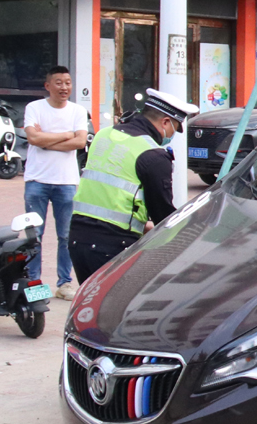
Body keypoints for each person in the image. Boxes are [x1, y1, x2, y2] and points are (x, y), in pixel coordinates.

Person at [69, 88, 198, 283]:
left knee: (89, 307)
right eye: (175, 128)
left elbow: (111, 197)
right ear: (165, 122)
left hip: (78, 239)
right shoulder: (153, 154)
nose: (173, 135)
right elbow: (163, 217)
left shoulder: (103, 135)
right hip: (112, 246)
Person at [22, 65, 90, 300]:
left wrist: (44, 140)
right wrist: (66, 135)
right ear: (48, 86)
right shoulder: (34, 108)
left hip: (66, 182)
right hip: (36, 180)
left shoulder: (78, 111)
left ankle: (65, 283)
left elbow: (81, 142)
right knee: (34, 235)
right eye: (59, 82)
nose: (64, 87)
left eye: (68, 82)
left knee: (66, 235)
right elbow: (32, 137)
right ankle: (34, 282)